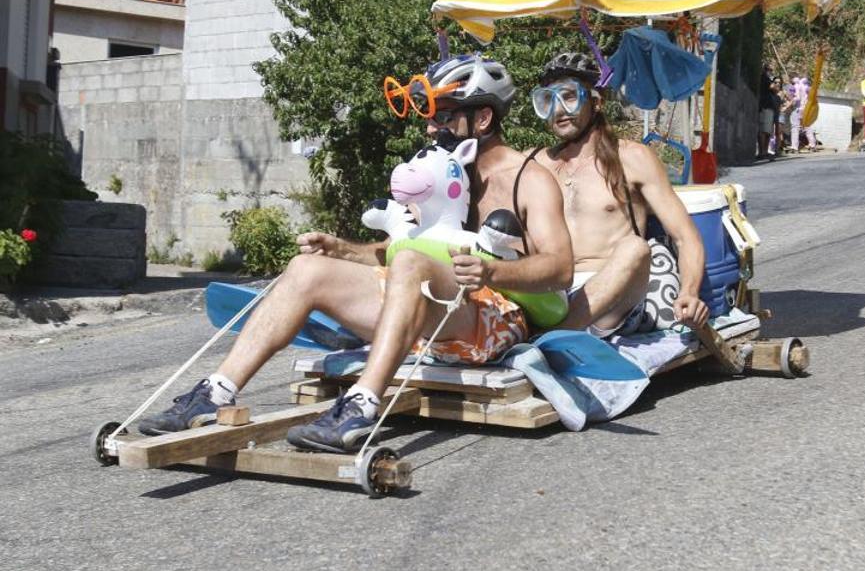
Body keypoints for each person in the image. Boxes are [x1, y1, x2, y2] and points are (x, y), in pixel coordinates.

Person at [137, 55, 575, 452]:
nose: (429, 128)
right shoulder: (441, 172)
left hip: (493, 319)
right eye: (428, 117)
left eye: (442, 117)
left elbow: (560, 268)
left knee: (411, 265)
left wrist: (490, 272)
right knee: (307, 268)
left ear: (482, 118)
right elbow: (407, 249)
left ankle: (360, 406)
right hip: (429, 309)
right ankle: (215, 392)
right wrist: (344, 250)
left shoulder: (528, 178)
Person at [529, 52, 710, 337]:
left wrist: (689, 291)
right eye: (547, 100)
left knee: (635, 248)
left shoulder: (633, 158)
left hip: (613, 302)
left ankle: (556, 337)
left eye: (569, 96)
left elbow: (685, 237)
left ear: (596, 102)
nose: (558, 109)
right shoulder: (534, 164)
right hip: (551, 295)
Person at [789, 76, 817, 152]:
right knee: (807, 127)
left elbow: (797, 98)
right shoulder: (808, 88)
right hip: (806, 110)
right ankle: (812, 145)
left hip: (797, 109)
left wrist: (790, 104)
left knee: (795, 128)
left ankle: (794, 147)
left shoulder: (794, 87)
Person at [757, 69, 779, 159]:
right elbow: (774, 89)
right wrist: (774, 84)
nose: (771, 72)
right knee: (764, 131)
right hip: (765, 107)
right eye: (770, 70)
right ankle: (763, 152)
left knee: (767, 131)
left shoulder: (765, 78)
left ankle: (764, 152)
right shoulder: (765, 78)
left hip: (766, 107)